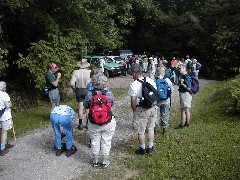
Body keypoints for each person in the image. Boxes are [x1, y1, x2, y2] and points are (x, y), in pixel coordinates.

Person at [83, 73, 116, 168]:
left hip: (93, 122)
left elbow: (85, 106)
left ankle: (95, 160)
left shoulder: (89, 94)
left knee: (94, 140)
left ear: (93, 83)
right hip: (107, 121)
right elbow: (112, 104)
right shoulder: (108, 93)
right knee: (106, 140)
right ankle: (105, 161)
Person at [128, 64, 157, 155]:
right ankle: (151, 148)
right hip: (152, 107)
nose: (132, 76)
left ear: (135, 73)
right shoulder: (150, 80)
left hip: (141, 109)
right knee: (151, 128)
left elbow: (133, 101)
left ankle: (143, 149)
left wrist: (134, 110)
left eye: (132, 74)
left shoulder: (133, 85)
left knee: (141, 131)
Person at [70, 59, 91, 130]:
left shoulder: (75, 72)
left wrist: (74, 89)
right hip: (87, 90)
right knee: (88, 108)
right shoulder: (89, 72)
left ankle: (80, 124)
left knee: (80, 107)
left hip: (79, 90)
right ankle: (88, 123)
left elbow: (72, 83)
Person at [155, 68, 173, 135]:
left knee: (156, 115)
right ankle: (164, 129)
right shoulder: (167, 80)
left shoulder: (154, 80)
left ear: (156, 73)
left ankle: (155, 129)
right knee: (165, 114)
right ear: (164, 73)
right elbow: (171, 90)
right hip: (166, 101)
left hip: (157, 101)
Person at [175, 64, 192, 128]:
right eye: (178, 69)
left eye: (180, 68)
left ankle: (183, 124)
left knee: (184, 110)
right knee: (185, 109)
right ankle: (187, 123)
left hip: (185, 94)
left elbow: (188, 87)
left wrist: (182, 83)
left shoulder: (186, 76)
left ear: (184, 68)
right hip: (184, 94)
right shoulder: (182, 76)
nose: (179, 70)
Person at [0, 81, 14, 156]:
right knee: (4, 132)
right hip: (4, 116)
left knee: (1, 131)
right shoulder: (4, 94)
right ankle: (2, 149)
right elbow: (7, 105)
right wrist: (10, 104)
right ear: (4, 87)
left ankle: (4, 144)